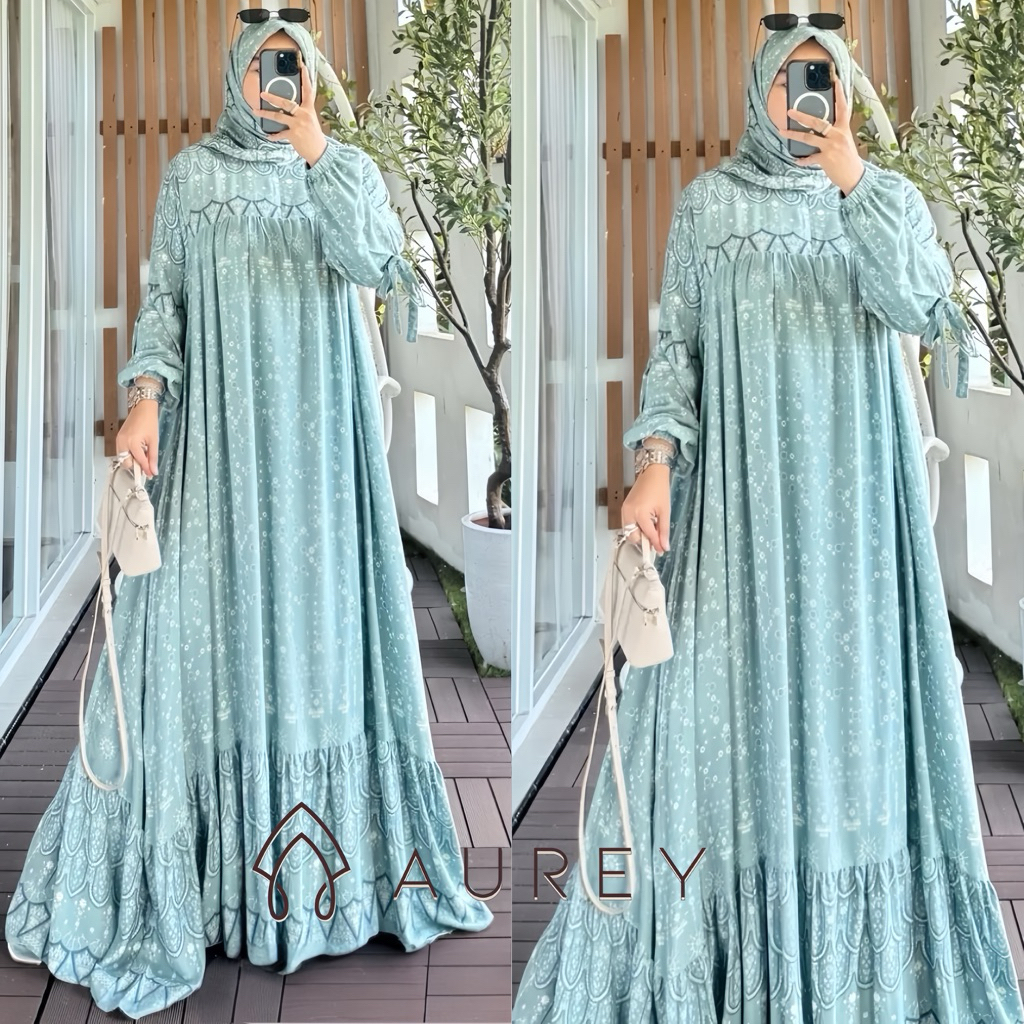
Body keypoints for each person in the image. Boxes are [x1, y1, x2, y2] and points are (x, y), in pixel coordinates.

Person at [513, 23, 1024, 1024]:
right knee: (715, 710)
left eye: (822, 79)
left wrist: (854, 178)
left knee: (853, 723)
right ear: (758, 88)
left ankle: (851, 963)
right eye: (790, 80)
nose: (805, 97)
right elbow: (677, 349)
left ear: (846, 90)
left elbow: (927, 311)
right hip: (736, 518)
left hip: (855, 525)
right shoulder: (708, 206)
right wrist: (654, 462)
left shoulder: (880, 198)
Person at [4, 16, 492, 1020]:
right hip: (220, 450)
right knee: (199, 631)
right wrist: (146, 395)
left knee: (318, 638)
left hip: (320, 458)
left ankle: (325, 874)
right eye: (267, 63)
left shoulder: (341, 168)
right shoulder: (190, 178)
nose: (278, 79)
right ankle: (210, 873)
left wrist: (317, 147)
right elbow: (165, 305)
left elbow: (379, 262)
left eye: (294, 63)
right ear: (236, 72)